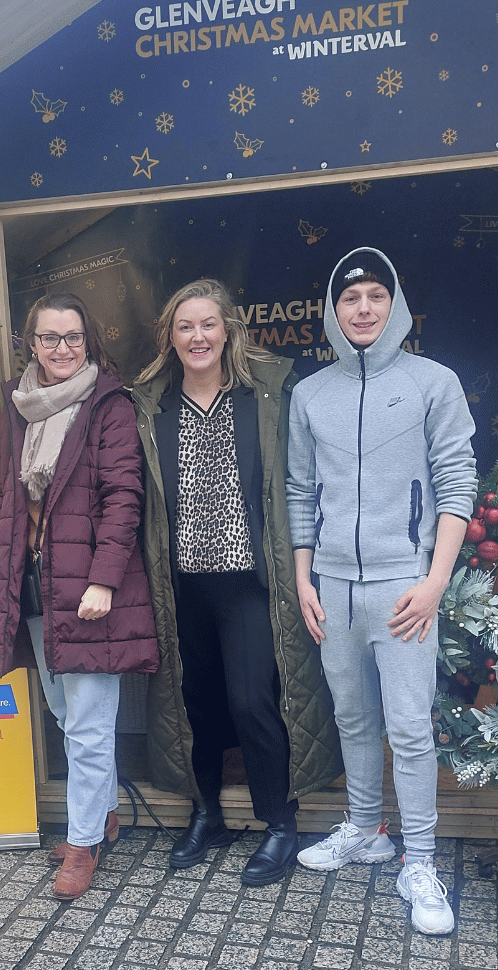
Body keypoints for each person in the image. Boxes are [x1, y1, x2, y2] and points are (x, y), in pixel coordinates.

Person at [287, 248, 476, 935]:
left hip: (404, 587)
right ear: (333, 312)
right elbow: (300, 491)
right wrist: (304, 578)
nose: (363, 308)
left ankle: (418, 859)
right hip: (333, 588)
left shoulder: (433, 383)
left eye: (374, 295)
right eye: (349, 298)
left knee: (408, 727)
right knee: (353, 718)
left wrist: (433, 583)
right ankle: (366, 829)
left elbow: (458, 485)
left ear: (394, 304)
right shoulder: (311, 394)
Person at [133, 278, 342, 887]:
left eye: (207, 325)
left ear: (228, 330)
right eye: (184, 327)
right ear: (170, 337)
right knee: (192, 702)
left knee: (254, 701)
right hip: (182, 585)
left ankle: (280, 821)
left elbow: (305, 478)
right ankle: (209, 815)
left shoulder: (265, 395)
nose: (197, 337)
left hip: (249, 580)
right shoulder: (152, 404)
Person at [0, 292, 158, 901]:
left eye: (72, 337)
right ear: (31, 343)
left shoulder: (109, 404)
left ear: (90, 341)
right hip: (32, 582)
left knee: (86, 722)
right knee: (62, 709)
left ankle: (82, 844)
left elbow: (122, 499)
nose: (61, 349)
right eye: (50, 338)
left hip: (85, 587)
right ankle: (102, 812)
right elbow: (7, 489)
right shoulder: (18, 403)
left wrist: (105, 580)